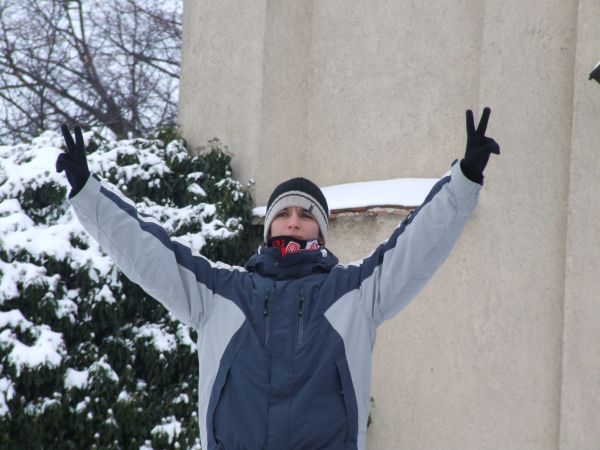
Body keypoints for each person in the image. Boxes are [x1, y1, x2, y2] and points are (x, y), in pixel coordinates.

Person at [57, 107, 500, 450]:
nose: (293, 221)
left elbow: (416, 246)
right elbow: (148, 252)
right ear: (268, 227)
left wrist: (463, 180)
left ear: (321, 230)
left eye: (306, 214)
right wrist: (87, 193)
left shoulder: (354, 293)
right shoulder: (220, 293)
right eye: (283, 213)